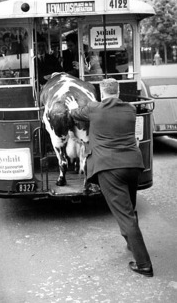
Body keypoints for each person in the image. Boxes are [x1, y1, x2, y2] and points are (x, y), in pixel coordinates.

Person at [65, 78, 153, 277]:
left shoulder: (94, 108)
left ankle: (144, 264)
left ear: (101, 92)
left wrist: (71, 107)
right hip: (133, 165)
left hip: (109, 168)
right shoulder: (130, 109)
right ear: (118, 91)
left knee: (125, 215)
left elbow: (74, 114)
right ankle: (132, 242)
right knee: (130, 208)